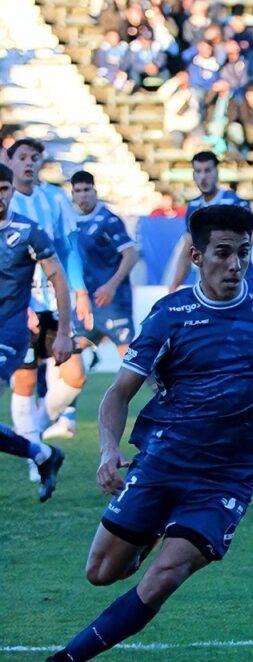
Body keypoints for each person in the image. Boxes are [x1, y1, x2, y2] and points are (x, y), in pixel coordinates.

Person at [33, 205, 253, 662]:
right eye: (224, 253)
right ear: (196, 256)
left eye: (244, 253)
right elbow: (118, 393)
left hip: (227, 478)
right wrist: (108, 451)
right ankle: (148, 534)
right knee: (101, 572)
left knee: (165, 576)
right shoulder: (170, 315)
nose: (236, 265)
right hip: (164, 461)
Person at [6, 139, 90, 456]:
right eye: (23, 157)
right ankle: (34, 454)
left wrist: (80, 291)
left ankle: (32, 433)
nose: (29, 163)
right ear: (10, 161)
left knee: (75, 375)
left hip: (55, 301)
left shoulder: (54, 199)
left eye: (35, 158)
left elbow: (69, 248)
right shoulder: (6, 202)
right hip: (19, 303)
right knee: (25, 380)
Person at [0, 163, 68, 501]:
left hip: (9, 333)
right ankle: (42, 454)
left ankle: (40, 453)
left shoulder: (28, 231)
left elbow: (58, 278)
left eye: (4, 189)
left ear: (12, 191)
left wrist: (66, 330)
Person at [169, 151, 253, 290]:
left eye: (207, 170)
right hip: (212, 288)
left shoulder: (235, 202)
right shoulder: (193, 207)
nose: (203, 177)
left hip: (243, 284)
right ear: (193, 175)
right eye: (198, 171)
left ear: (217, 172)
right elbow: (187, 252)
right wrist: (173, 288)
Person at [69, 170, 140, 369]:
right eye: (78, 191)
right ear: (72, 194)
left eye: (87, 190)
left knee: (131, 361)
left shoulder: (109, 220)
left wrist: (111, 286)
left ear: (95, 191)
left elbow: (131, 255)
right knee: (67, 356)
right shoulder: (73, 222)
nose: (83, 195)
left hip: (112, 301)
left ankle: (164, 395)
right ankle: (63, 400)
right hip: (86, 304)